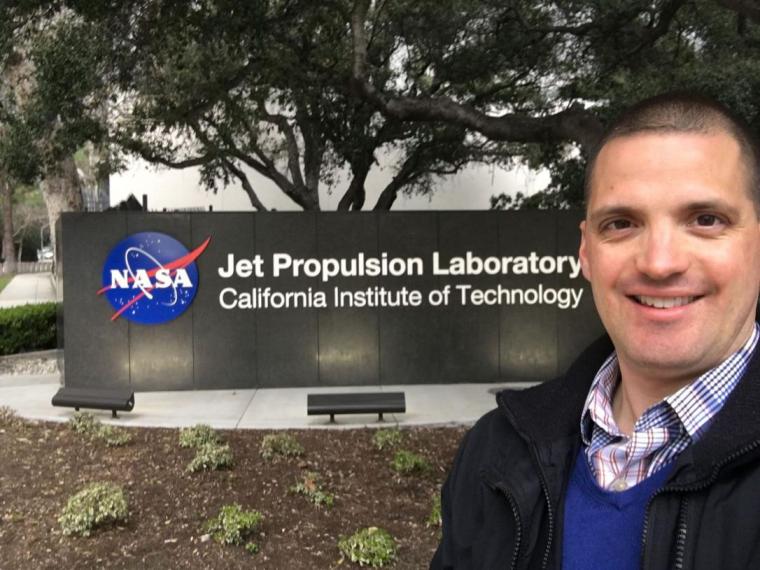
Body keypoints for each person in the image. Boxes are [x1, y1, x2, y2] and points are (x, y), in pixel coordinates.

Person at [430, 92, 760, 570]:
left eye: (705, 220)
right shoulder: (496, 450)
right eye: (622, 223)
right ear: (586, 251)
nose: (659, 263)